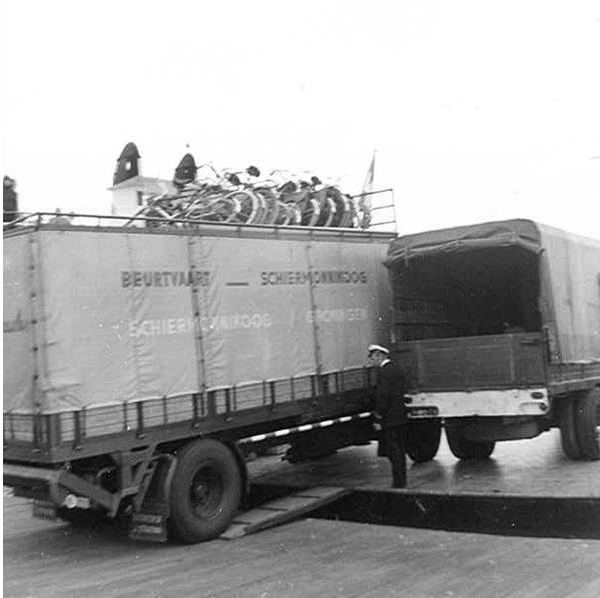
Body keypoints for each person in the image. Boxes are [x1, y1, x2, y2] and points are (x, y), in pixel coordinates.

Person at [368, 344, 408, 488]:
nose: (372, 361)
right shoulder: (397, 369)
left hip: (389, 418)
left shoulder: (383, 372)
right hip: (400, 415)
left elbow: (383, 396)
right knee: (400, 450)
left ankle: (398, 483)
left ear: (380, 355)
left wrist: (378, 416)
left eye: (373, 357)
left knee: (393, 451)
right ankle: (401, 480)